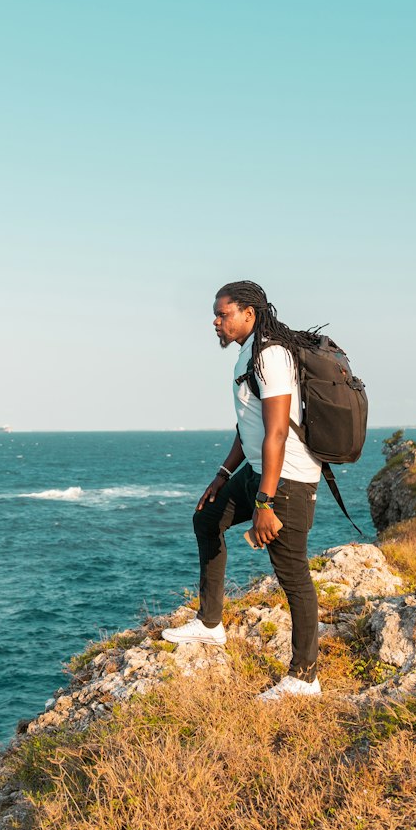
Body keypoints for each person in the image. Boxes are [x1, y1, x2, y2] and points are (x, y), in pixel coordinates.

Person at [164, 280, 323, 700]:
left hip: (286, 477)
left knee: (292, 574)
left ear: (248, 315)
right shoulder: (246, 356)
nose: (215, 323)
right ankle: (211, 624)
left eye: (223, 314)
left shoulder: (271, 355)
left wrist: (265, 503)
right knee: (207, 518)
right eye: (215, 316)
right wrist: (222, 474)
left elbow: (276, 432)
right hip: (257, 470)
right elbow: (248, 426)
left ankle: (305, 678)